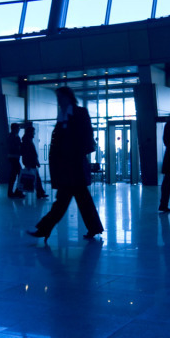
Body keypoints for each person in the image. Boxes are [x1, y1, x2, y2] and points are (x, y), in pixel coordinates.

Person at [28, 87, 103, 243]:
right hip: (67, 168)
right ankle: (93, 228)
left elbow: (87, 137)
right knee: (78, 200)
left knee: (64, 202)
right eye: (58, 98)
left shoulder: (79, 113)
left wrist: (75, 153)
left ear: (69, 98)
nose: (59, 101)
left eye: (61, 98)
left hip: (73, 166)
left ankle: (44, 229)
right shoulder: (62, 116)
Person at [21, 124, 49, 199]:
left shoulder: (27, 140)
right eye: (33, 132)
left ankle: (40, 193)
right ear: (29, 132)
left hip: (30, 162)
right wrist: (31, 163)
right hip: (30, 162)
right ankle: (40, 193)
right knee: (37, 178)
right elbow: (28, 153)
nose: (34, 133)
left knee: (36, 178)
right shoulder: (27, 141)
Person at [7, 123, 25, 198]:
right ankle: (18, 191)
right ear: (14, 129)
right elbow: (15, 146)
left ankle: (12, 192)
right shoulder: (13, 136)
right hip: (14, 158)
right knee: (20, 174)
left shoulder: (12, 136)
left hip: (14, 158)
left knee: (13, 175)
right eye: (18, 128)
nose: (19, 130)